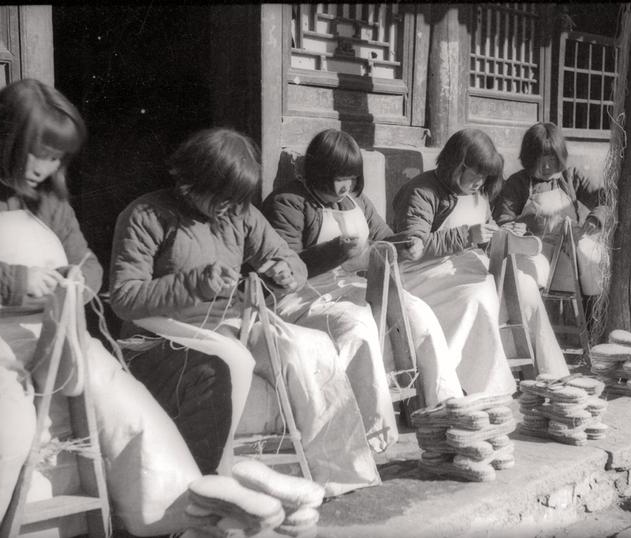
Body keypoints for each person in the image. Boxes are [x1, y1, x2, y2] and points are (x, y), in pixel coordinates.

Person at [0, 79, 207, 538]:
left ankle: (177, 518)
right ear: (2, 140)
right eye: (37, 153)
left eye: (56, 158)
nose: (46, 168)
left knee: (131, 412)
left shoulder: (49, 203)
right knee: (7, 434)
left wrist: (78, 281)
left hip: (53, 336)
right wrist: (13, 281)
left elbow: (88, 263)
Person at [108, 128, 380, 496]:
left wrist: (289, 272)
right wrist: (196, 284)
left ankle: (342, 475)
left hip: (232, 322)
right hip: (167, 335)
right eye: (220, 196)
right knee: (230, 361)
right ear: (192, 181)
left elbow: (285, 258)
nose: (228, 208)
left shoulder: (239, 212)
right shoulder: (147, 215)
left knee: (311, 347)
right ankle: (208, 489)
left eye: (236, 198)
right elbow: (124, 296)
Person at [261, 129, 463, 446]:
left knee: (417, 312)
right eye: (337, 178)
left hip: (352, 287)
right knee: (357, 325)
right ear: (318, 172)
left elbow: (383, 239)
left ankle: (444, 406)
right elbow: (286, 268)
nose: (344, 187)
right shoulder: (288, 202)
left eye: (350, 178)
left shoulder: (356, 200)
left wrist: (406, 244)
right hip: (303, 297)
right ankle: (371, 430)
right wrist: (336, 251)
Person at [392, 128, 570, 394]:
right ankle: (477, 387)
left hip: (468, 264)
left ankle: (553, 375)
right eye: (476, 174)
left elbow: (485, 232)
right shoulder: (421, 191)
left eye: (485, 176)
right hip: (425, 272)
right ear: (456, 164)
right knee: (478, 295)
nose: (480, 182)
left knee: (524, 286)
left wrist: (503, 233)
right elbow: (411, 247)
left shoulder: (479, 192)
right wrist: (466, 235)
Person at [493, 122, 609, 310]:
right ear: (530, 158)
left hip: (572, 248)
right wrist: (514, 228)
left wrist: (596, 218)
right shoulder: (518, 183)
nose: (547, 166)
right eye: (541, 160)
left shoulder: (570, 177)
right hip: (537, 253)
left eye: (552, 160)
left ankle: (593, 320)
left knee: (596, 262)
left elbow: (605, 201)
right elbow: (502, 221)